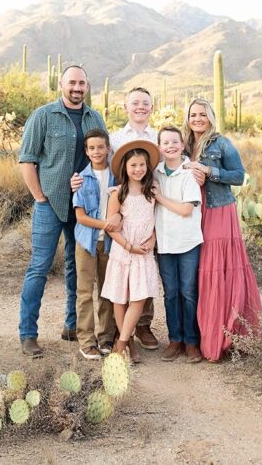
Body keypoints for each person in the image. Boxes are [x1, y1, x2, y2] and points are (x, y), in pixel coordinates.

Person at [73, 86, 180, 350]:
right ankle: (122, 335)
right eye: (135, 103)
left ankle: (143, 324)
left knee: (144, 274)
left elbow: (175, 159)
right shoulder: (116, 138)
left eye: (145, 103)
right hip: (121, 211)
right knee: (119, 280)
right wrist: (79, 180)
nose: (140, 107)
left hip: (147, 207)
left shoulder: (159, 138)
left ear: (152, 107)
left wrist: (192, 166)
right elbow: (100, 165)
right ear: (126, 107)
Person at [17, 65, 106, 358]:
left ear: (88, 85)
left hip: (83, 206)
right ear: (61, 84)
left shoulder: (95, 117)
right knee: (39, 268)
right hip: (50, 204)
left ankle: (72, 326)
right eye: (72, 82)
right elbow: (27, 161)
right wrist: (40, 196)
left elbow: (103, 157)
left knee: (75, 268)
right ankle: (28, 334)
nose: (77, 87)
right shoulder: (43, 116)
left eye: (82, 82)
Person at [182, 98, 261, 363]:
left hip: (217, 210)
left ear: (211, 117)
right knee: (198, 269)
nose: (197, 119)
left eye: (202, 114)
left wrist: (209, 170)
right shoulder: (184, 143)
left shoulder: (221, 142)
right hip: (192, 211)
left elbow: (239, 176)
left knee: (217, 268)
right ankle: (200, 335)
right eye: (193, 114)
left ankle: (228, 333)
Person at [101, 139, 161, 364]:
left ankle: (122, 342)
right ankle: (129, 342)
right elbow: (111, 228)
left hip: (143, 253)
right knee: (120, 298)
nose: (138, 169)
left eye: (142, 165)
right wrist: (128, 246)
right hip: (124, 252)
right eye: (133, 165)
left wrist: (152, 239)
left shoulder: (151, 190)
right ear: (125, 167)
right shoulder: (118, 193)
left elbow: (155, 221)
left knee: (138, 298)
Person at [152, 125, 204, 363]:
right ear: (159, 147)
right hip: (164, 243)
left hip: (188, 242)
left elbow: (185, 209)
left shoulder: (188, 173)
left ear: (183, 145)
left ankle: (192, 342)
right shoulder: (156, 173)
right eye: (166, 143)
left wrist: (161, 197)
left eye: (175, 142)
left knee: (189, 292)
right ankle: (175, 340)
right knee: (171, 293)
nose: (171, 146)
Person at [72, 128, 118, 360]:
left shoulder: (117, 177)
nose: (97, 151)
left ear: (109, 148)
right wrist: (106, 224)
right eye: (92, 148)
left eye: (101, 147)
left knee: (107, 291)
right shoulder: (81, 178)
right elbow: (80, 217)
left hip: (110, 244)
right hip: (86, 242)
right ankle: (87, 341)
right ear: (86, 151)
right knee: (85, 292)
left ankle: (106, 337)